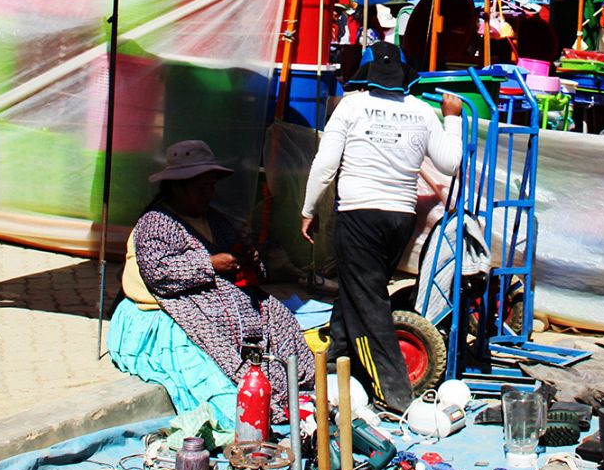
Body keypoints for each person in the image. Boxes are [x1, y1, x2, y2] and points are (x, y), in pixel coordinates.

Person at [301, 42, 463, 410]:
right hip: (400, 219)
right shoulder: (423, 111)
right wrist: (451, 117)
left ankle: (396, 394)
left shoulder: (351, 107)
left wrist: (309, 208)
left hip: (359, 213)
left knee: (368, 299)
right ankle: (332, 366)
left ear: (368, 75)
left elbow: (325, 164)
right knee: (356, 292)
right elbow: (450, 163)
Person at [111, 140, 312, 423]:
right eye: (200, 189)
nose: (208, 195)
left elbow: (244, 258)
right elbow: (157, 272)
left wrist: (251, 259)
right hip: (183, 299)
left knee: (278, 315)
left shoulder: (215, 219)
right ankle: (256, 398)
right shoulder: (156, 222)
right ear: (177, 188)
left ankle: (291, 385)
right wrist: (210, 264)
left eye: (211, 187)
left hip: (229, 297)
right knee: (218, 339)